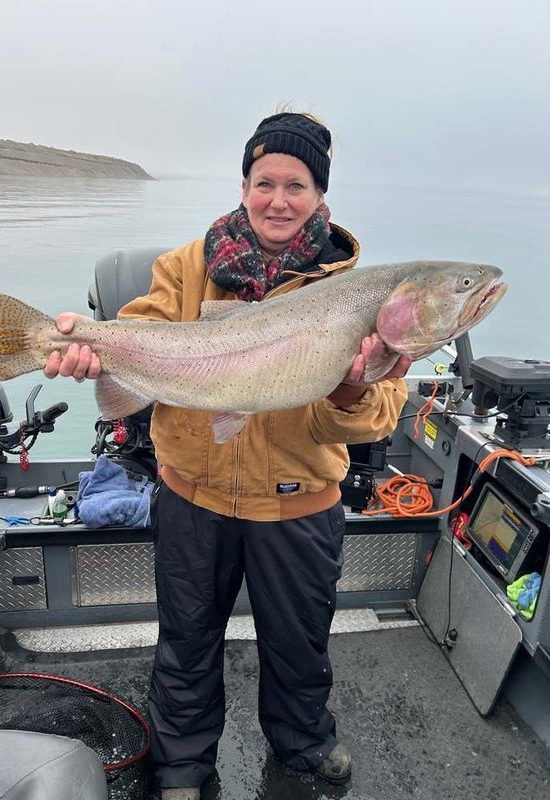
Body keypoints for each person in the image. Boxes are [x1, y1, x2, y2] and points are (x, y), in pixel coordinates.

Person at [45, 112, 410, 800]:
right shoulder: (187, 265)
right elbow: (143, 332)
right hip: (194, 495)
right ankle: (182, 765)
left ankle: (304, 744)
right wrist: (94, 349)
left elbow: (379, 416)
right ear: (244, 185)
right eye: (264, 181)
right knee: (185, 642)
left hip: (301, 503)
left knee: (299, 644)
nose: (279, 198)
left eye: (296, 185)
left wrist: (357, 385)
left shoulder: (362, 295)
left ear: (320, 197)